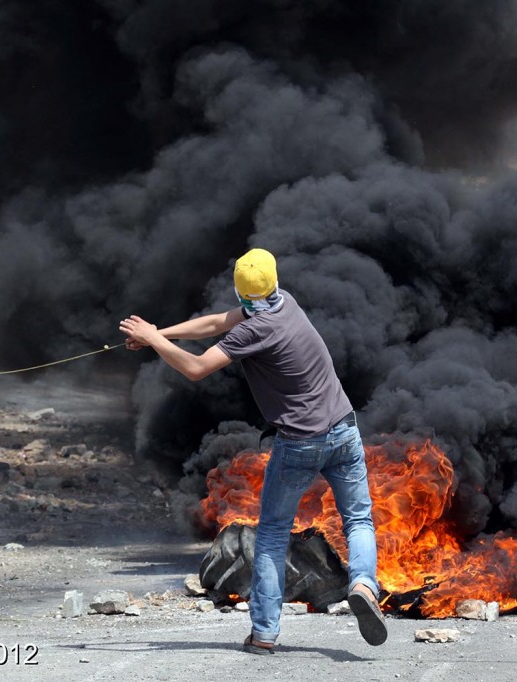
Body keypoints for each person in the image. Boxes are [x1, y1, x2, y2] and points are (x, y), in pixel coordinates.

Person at [119, 247, 387, 653]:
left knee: (273, 536)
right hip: (343, 430)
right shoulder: (287, 303)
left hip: (299, 442)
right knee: (359, 519)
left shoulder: (253, 331)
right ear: (273, 283)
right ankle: (365, 584)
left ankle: (264, 633)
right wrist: (162, 332)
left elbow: (196, 368)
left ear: (243, 293)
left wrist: (153, 339)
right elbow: (215, 322)